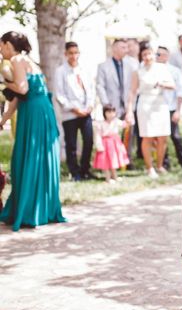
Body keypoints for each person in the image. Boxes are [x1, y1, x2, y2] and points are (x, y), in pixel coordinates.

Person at [0, 31, 64, 230]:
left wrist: (2, 82)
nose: (1, 50)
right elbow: (17, 100)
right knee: (31, 158)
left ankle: (30, 211)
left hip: (35, 114)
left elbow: (22, 89)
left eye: (1, 45)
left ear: (9, 45)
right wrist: (3, 120)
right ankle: (38, 208)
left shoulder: (18, 59)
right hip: (39, 111)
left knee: (29, 158)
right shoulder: (28, 60)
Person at [126, 42, 175, 178]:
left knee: (162, 137)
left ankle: (159, 165)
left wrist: (162, 84)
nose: (147, 57)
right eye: (144, 54)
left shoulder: (162, 68)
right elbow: (132, 92)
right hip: (145, 104)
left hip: (160, 103)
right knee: (146, 137)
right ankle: (150, 168)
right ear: (141, 56)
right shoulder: (137, 72)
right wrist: (129, 110)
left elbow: (173, 85)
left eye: (149, 53)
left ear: (154, 53)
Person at [54, 41, 95, 181]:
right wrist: (74, 108)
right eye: (71, 53)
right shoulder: (61, 71)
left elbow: (90, 89)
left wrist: (89, 106)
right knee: (71, 144)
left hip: (86, 112)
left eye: (76, 53)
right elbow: (59, 94)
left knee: (89, 141)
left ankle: (85, 170)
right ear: (66, 54)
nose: (74, 56)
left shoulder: (84, 70)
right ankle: (75, 172)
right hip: (70, 114)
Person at [96, 38, 138, 167]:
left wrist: (131, 107)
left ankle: (127, 161)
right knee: (111, 134)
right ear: (114, 48)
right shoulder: (103, 66)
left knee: (128, 134)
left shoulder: (133, 64)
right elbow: (100, 86)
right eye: (122, 47)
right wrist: (107, 107)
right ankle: (113, 162)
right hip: (111, 107)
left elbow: (134, 87)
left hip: (128, 105)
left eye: (127, 47)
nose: (126, 50)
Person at [156, 46, 182, 169]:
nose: (157, 57)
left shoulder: (174, 71)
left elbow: (180, 92)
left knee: (175, 136)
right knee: (161, 137)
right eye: (156, 54)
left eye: (160, 54)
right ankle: (164, 163)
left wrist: (178, 111)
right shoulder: (152, 70)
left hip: (171, 108)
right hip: (157, 109)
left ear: (166, 56)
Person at [93, 104, 129, 183]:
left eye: (113, 112)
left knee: (114, 161)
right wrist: (99, 145)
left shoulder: (116, 121)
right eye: (109, 112)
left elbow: (124, 124)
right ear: (104, 113)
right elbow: (98, 135)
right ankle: (108, 178)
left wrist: (128, 117)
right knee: (105, 162)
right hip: (105, 144)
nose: (111, 114)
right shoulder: (101, 123)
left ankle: (115, 176)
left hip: (115, 143)